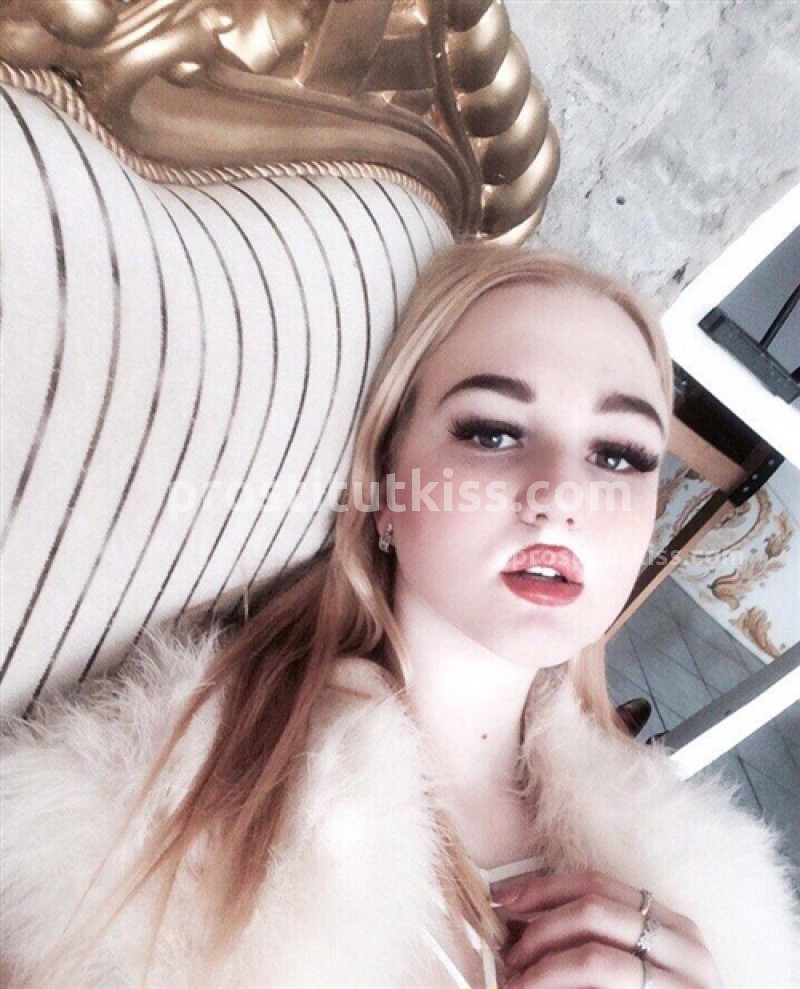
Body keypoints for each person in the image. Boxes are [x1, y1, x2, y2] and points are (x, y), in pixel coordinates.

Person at [2, 243, 799, 989]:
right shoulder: (150, 813)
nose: (562, 496)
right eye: (493, 432)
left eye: (619, 454)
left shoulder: (718, 897)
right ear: (386, 484)